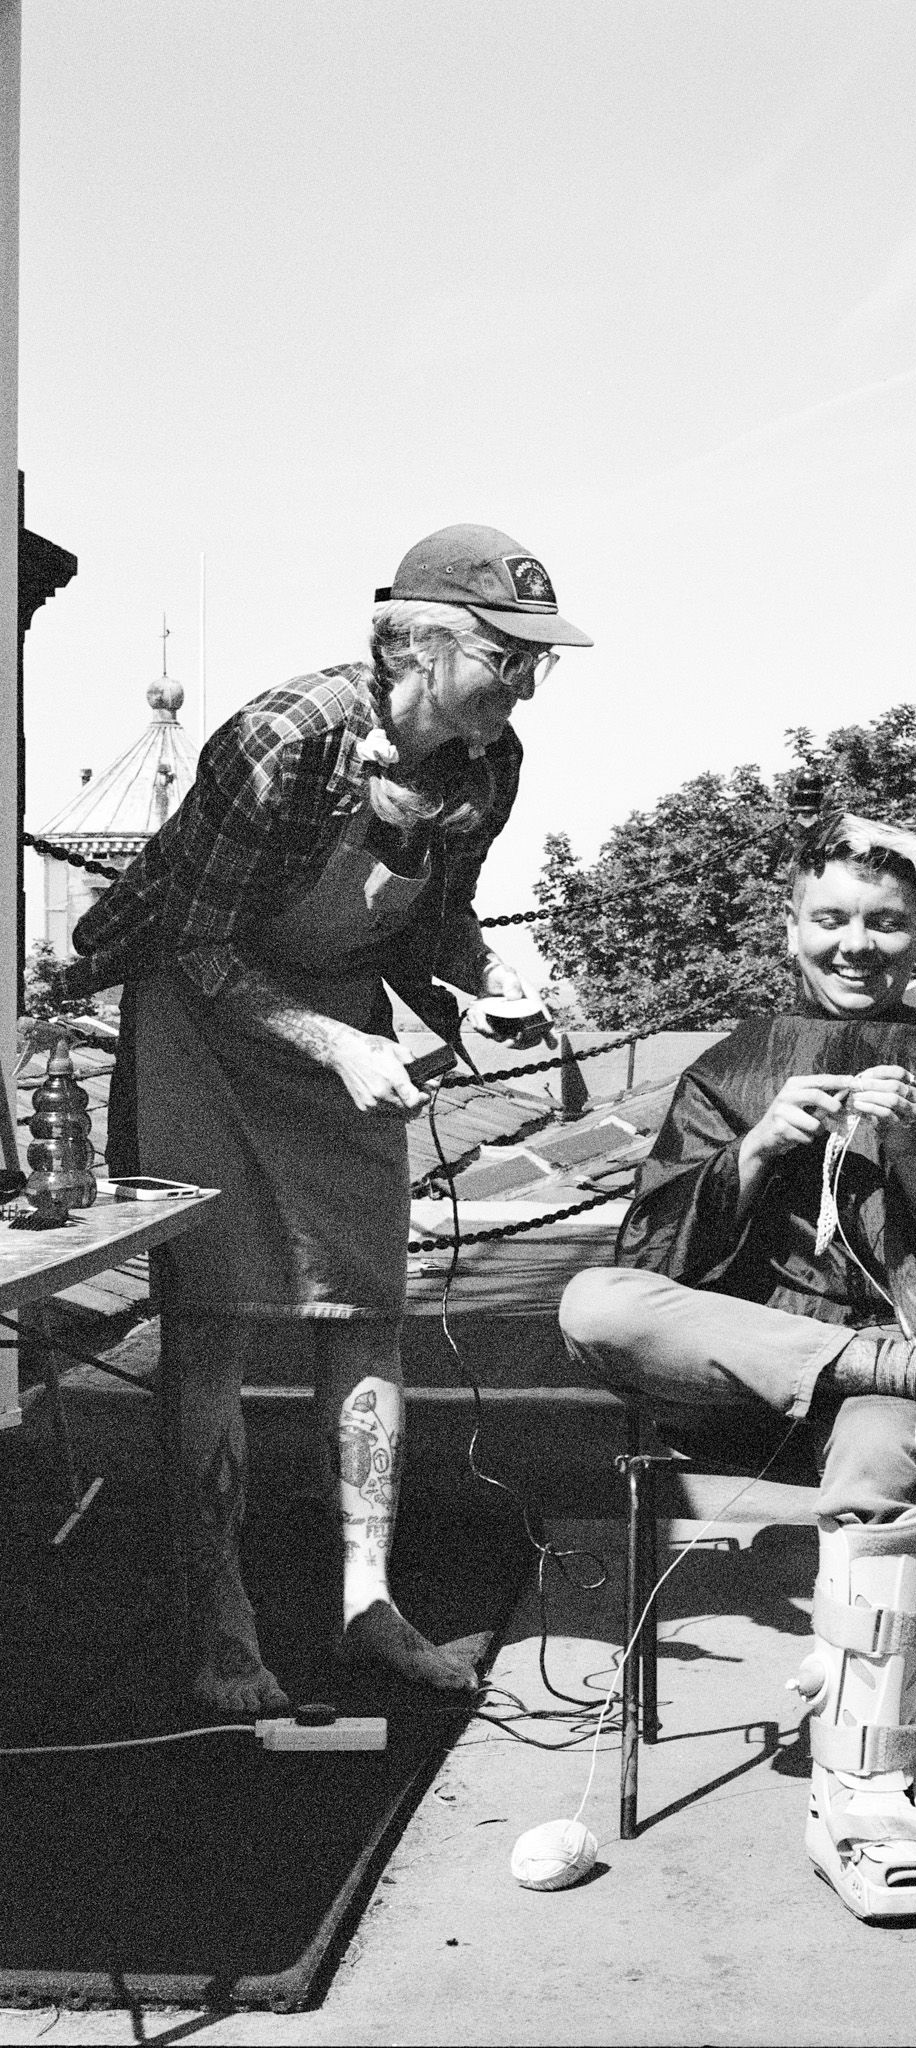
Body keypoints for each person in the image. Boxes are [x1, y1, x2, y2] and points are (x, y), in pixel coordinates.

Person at [63, 523, 591, 1717]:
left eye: (534, 663)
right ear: (419, 640)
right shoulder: (281, 739)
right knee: (212, 1327)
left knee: (365, 1315)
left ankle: (367, 1606)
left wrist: (476, 993)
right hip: (200, 1022)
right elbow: (189, 941)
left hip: (344, 1033)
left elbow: (430, 925)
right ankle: (226, 1623)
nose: (523, 684)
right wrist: (335, 1041)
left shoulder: (487, 761)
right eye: (506, 657)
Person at [558, 813, 916, 1923]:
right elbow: (652, 1257)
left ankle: (863, 1797)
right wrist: (756, 1148)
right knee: (590, 1302)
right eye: (832, 919)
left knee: (880, 1434)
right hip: (744, 1376)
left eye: (886, 923)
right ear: (790, 927)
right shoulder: (733, 1058)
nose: (857, 943)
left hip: (893, 1394)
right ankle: (913, 1372)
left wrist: (914, 1152)